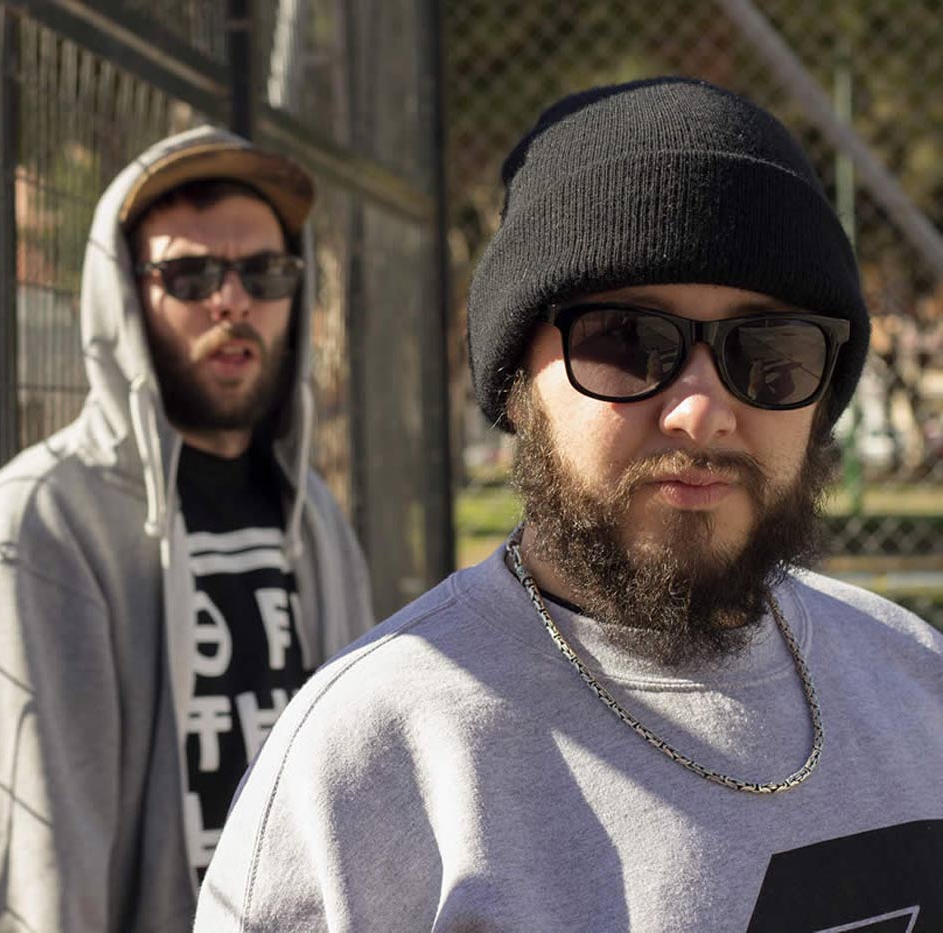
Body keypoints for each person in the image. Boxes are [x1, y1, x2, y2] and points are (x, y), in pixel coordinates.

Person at [196, 78, 943, 931]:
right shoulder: (373, 758)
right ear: (516, 384)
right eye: (627, 342)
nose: (702, 410)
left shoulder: (916, 682)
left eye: (770, 352)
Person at [0, 126, 373, 932]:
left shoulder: (316, 516)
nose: (232, 300)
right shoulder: (40, 528)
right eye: (191, 274)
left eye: (265, 272)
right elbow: (35, 880)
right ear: (123, 298)